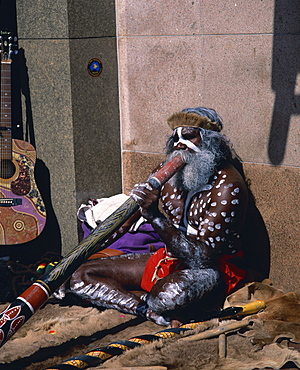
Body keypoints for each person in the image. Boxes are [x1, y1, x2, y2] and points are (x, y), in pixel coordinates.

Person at [55, 107, 270, 327]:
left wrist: (155, 217)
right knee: (78, 277)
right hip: (167, 260)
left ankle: (148, 304)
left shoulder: (228, 185)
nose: (179, 145)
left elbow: (202, 259)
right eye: (175, 138)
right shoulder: (166, 173)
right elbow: (125, 222)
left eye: (188, 137)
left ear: (209, 141)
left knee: (168, 295)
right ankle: (151, 312)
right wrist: (73, 261)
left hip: (213, 270)